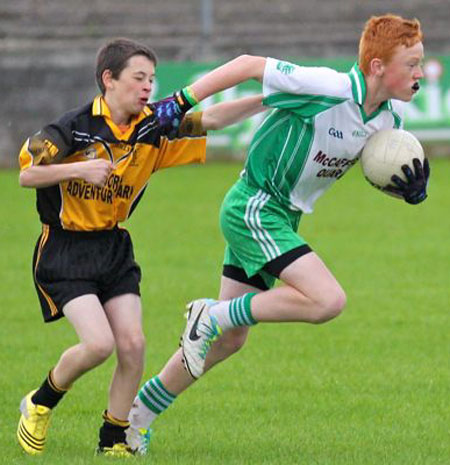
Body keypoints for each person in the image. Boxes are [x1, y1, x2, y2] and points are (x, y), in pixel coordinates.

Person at [127, 14, 430, 454]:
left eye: (421, 64)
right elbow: (249, 64)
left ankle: (134, 420)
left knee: (231, 339)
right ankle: (207, 315)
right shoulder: (329, 87)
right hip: (255, 206)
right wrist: (181, 99)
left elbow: (380, 169)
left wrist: (409, 190)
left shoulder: (389, 122)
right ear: (378, 66)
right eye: (412, 64)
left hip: (282, 218)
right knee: (328, 300)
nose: (421, 74)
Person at [16, 37, 266, 457]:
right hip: (65, 249)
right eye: (139, 78)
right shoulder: (72, 127)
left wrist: (269, 98)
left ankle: (113, 440)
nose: (148, 86)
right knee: (99, 345)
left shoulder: (153, 127)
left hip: (113, 248)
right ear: (108, 80)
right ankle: (40, 402)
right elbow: (26, 174)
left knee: (133, 345)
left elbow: (214, 119)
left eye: (152, 78)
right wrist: (78, 168)